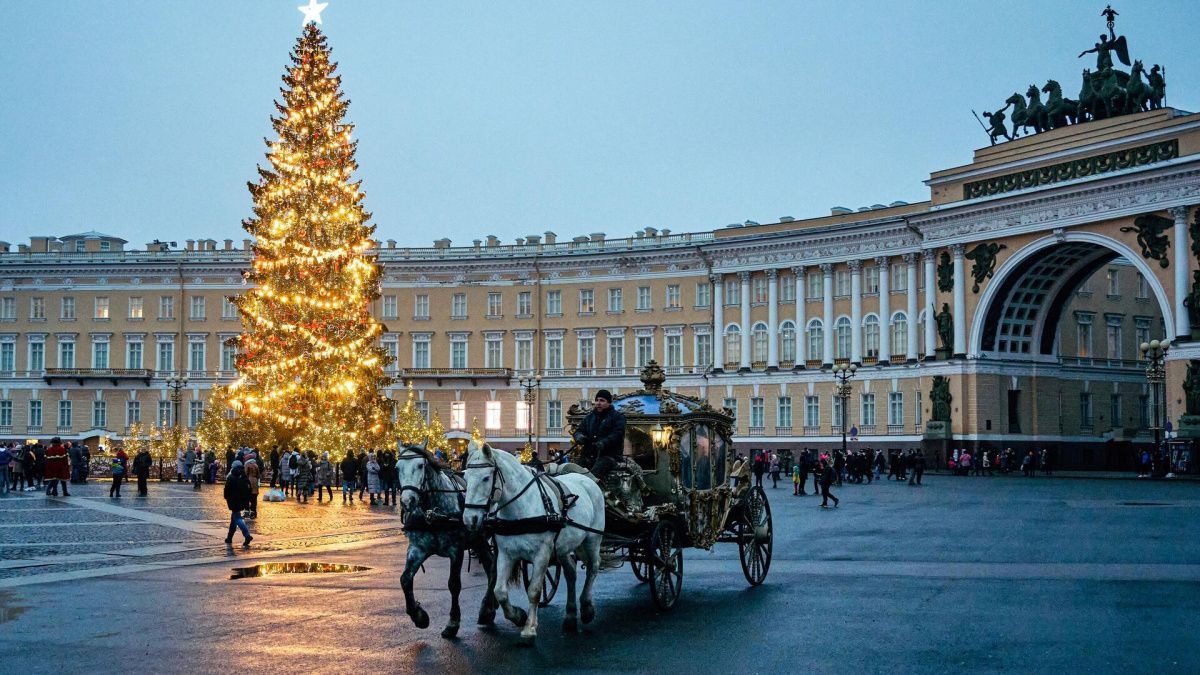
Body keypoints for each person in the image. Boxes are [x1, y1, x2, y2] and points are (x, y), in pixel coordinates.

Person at [572, 389, 627, 484]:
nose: (598, 403)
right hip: (588, 455)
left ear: (609, 403)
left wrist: (604, 443)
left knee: (593, 476)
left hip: (609, 456)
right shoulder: (589, 417)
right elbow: (579, 430)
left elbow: (617, 434)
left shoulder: (617, 417)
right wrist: (579, 436)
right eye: (597, 400)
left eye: (602, 400)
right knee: (574, 472)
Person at [223, 462, 253, 547]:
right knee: (234, 519)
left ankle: (247, 535)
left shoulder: (231, 477)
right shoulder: (244, 476)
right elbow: (249, 488)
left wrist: (226, 497)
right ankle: (229, 538)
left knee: (238, 518)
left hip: (233, 501)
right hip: (242, 500)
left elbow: (226, 490)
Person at [243, 452, 261, 518]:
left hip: (248, 482)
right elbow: (258, 475)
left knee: (246, 498)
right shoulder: (256, 465)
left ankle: (247, 512)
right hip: (255, 482)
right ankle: (253, 512)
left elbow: (245, 474)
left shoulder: (247, 465)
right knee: (254, 498)